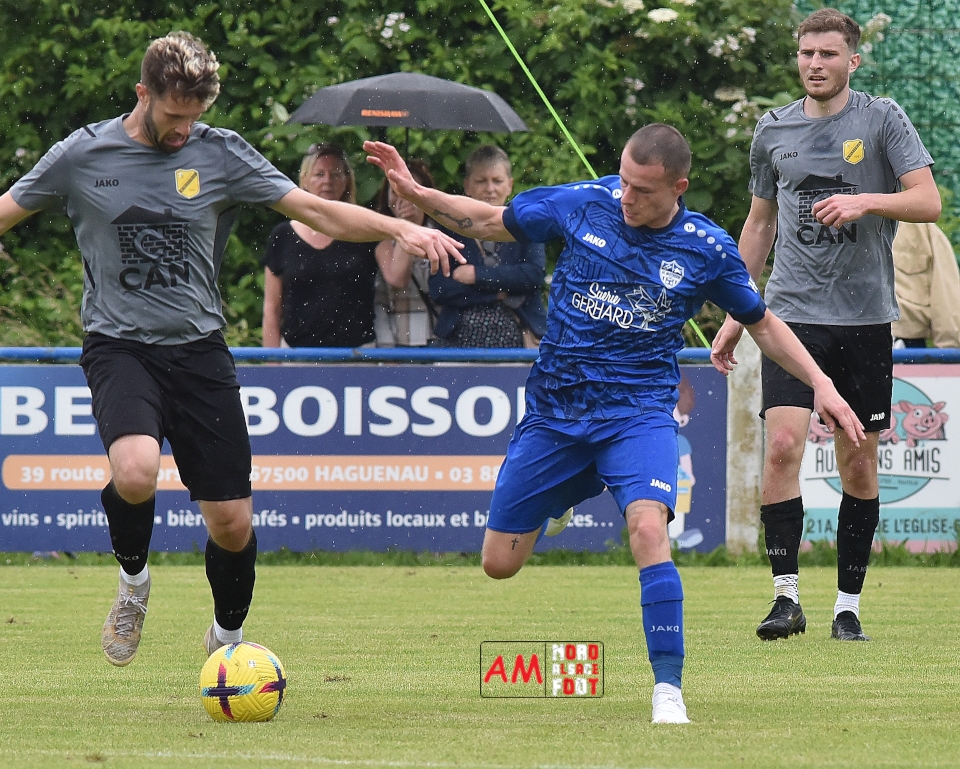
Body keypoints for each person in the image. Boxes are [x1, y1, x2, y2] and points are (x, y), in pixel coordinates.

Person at [0, 32, 462, 667]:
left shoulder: (221, 152)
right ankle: (134, 583)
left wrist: (398, 227)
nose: (184, 129)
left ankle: (226, 640)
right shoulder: (82, 155)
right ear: (143, 94)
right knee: (135, 470)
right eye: (174, 115)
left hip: (199, 351)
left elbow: (316, 210)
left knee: (232, 523)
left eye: (196, 115)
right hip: (120, 346)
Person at [366, 123, 864, 724]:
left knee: (649, 530)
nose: (626, 197)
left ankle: (668, 689)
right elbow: (488, 220)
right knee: (498, 563)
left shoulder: (705, 249)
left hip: (638, 415)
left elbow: (763, 324)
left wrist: (822, 384)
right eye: (624, 181)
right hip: (556, 413)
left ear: (678, 188)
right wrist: (417, 194)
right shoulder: (586, 202)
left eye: (642, 190)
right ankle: (569, 492)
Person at [710, 8, 941, 643]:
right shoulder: (773, 129)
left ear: (852, 61)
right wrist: (736, 313)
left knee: (858, 462)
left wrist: (866, 200)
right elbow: (759, 225)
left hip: (865, 318)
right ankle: (785, 598)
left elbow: (928, 201)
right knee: (783, 445)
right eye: (807, 53)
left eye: (829, 54)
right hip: (790, 314)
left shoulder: (882, 119)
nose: (815, 63)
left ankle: (848, 607)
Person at [428, 146, 546, 347]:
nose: (490, 189)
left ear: (510, 185)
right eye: (481, 181)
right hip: (457, 344)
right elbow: (440, 288)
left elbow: (534, 275)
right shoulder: (450, 228)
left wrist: (477, 275)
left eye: (497, 181)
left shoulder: (527, 223)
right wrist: (497, 292)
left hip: (521, 339)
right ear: (467, 186)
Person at [261, 144, 378, 347]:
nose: (327, 181)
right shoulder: (283, 236)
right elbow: (272, 309)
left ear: (347, 180)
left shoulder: (364, 230)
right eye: (319, 174)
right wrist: (273, 361)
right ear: (304, 180)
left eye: (335, 174)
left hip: (358, 355)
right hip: (298, 355)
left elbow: (396, 277)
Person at [373, 158, 439, 347]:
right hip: (402, 342)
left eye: (410, 192)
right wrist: (406, 225)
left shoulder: (441, 235)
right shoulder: (383, 242)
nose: (403, 198)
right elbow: (397, 279)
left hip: (441, 341)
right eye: (395, 192)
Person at [891, 220, 960, 348]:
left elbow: (944, 290)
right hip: (854, 332)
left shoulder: (921, 227)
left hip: (907, 341)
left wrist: (949, 350)